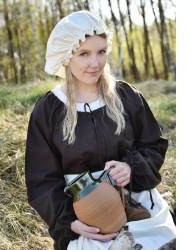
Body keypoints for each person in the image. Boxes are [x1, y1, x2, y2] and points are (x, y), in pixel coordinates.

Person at [25, 10, 176, 250]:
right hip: (85, 218)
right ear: (66, 56)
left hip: (135, 203)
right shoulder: (49, 110)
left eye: (101, 52)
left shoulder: (126, 96)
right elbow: (41, 179)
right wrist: (70, 222)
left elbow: (154, 145)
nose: (95, 63)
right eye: (84, 54)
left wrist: (130, 167)